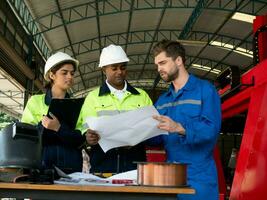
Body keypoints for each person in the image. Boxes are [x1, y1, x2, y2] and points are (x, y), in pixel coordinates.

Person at [151, 40, 221, 200]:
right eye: (157, 65)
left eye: (162, 63)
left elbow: (211, 129)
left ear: (178, 60)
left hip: (199, 178)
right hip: (170, 178)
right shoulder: (162, 100)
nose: (159, 69)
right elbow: (156, 137)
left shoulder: (205, 90)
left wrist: (179, 127)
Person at [76, 44, 153, 173]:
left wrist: (139, 136)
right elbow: (84, 127)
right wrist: (88, 137)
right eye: (114, 68)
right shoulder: (93, 98)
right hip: (103, 164)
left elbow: (151, 126)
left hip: (135, 164)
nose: (119, 72)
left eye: (123, 68)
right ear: (103, 69)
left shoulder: (142, 96)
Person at [21, 52, 85, 173]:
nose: (70, 77)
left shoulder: (79, 105)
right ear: (52, 75)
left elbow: (80, 139)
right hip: (42, 166)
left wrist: (58, 128)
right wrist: (43, 126)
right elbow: (27, 135)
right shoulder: (35, 102)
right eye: (64, 72)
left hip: (72, 167)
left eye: (72, 73)